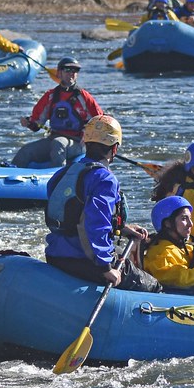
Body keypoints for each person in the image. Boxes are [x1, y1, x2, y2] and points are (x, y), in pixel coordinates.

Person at [44, 115, 162, 292]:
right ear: (114, 149)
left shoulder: (63, 173)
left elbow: (75, 214)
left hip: (55, 254)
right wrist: (106, 268)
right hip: (85, 260)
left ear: (85, 142)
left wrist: (122, 228)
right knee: (154, 286)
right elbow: (96, 223)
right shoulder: (105, 179)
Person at [11, 57, 103, 168]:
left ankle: (58, 178)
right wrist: (28, 122)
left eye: (75, 71)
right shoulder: (50, 96)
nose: (72, 73)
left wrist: (89, 136)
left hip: (78, 143)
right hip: (54, 139)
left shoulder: (83, 97)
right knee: (26, 150)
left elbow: (100, 120)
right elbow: (36, 123)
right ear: (59, 73)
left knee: (58, 143)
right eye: (67, 70)